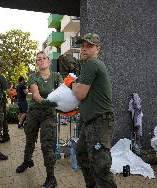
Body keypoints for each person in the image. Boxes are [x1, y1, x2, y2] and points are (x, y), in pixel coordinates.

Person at [65, 33, 117, 188]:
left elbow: (80, 93)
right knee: (83, 156)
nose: (84, 49)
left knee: (100, 166)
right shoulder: (87, 66)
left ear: (97, 49)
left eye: (89, 46)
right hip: (90, 121)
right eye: (82, 46)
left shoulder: (93, 64)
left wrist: (70, 83)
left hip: (100, 122)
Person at [16, 51, 62, 188]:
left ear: (48, 61)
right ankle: (27, 161)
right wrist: (54, 103)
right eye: (38, 59)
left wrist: (56, 103)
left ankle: (51, 177)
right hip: (34, 113)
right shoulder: (33, 77)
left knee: (46, 145)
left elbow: (61, 93)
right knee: (30, 140)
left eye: (43, 58)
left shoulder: (56, 76)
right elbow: (36, 96)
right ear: (37, 63)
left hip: (49, 115)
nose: (41, 61)